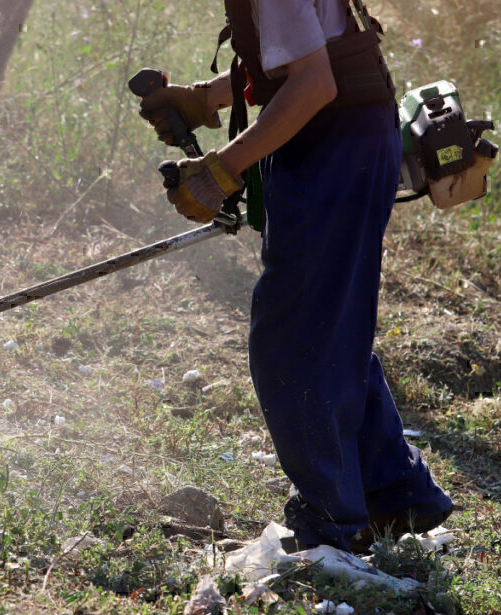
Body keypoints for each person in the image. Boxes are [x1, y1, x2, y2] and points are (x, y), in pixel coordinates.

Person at [137, 0, 452, 552]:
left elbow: (312, 84)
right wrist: (205, 98)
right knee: (329, 319)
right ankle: (396, 494)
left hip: (334, 144)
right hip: (344, 139)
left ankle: (329, 522)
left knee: (294, 338)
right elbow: (306, 50)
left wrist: (223, 168)